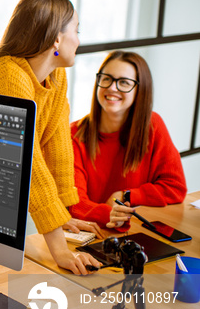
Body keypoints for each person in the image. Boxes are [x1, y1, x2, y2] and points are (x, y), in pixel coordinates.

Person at [0, 0, 101, 275]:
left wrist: (64, 215)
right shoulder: (8, 76)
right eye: (77, 30)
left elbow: (58, 146)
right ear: (56, 39)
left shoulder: (55, 75)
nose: (79, 40)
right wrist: (59, 250)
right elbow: (30, 164)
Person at [69, 50, 187, 230]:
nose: (112, 88)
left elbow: (175, 187)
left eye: (124, 82)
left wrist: (126, 195)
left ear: (140, 89)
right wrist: (109, 213)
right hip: (90, 233)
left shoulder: (152, 125)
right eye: (106, 78)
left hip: (133, 232)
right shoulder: (74, 134)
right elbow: (74, 202)